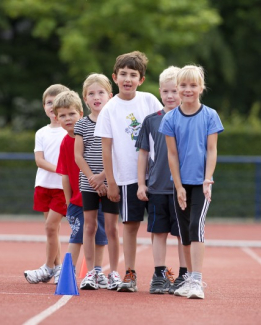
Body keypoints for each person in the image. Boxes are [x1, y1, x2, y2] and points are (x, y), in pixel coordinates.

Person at [94, 51, 162, 292]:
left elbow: (164, 136)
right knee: (130, 225)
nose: (127, 78)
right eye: (123, 74)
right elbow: (106, 148)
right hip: (127, 178)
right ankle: (130, 273)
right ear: (114, 77)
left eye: (133, 75)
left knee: (158, 227)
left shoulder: (150, 101)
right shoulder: (109, 109)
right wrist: (111, 181)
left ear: (141, 79)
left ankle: (160, 273)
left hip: (155, 177)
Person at [159, 65, 224, 299]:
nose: (188, 90)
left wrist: (208, 179)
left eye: (193, 85)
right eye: (183, 86)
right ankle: (187, 279)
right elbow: (172, 155)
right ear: (177, 89)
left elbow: (212, 149)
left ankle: (196, 280)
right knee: (185, 233)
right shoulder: (170, 118)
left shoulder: (210, 115)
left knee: (196, 227)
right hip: (180, 184)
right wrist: (177, 187)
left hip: (201, 183)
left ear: (201, 88)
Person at [135, 66, 187, 294]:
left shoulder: (189, 118)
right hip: (156, 187)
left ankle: (185, 274)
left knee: (183, 233)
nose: (170, 96)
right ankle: (159, 273)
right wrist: (141, 183)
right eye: (165, 91)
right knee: (158, 232)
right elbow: (143, 154)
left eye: (174, 91)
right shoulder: (151, 121)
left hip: (182, 189)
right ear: (159, 92)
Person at [54, 90, 109, 288]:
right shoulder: (64, 143)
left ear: (80, 113)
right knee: (76, 236)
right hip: (77, 200)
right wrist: (68, 202)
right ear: (56, 118)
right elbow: (66, 175)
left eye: (72, 114)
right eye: (62, 115)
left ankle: (97, 271)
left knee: (100, 235)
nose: (68, 119)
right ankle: (67, 272)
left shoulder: (94, 132)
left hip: (99, 193)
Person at [75, 73, 122, 290]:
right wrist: (93, 180)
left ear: (110, 96)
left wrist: (104, 177)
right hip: (89, 185)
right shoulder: (82, 125)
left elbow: (118, 152)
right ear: (85, 99)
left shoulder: (115, 122)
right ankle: (92, 272)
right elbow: (78, 155)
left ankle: (113, 272)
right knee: (90, 226)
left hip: (111, 182)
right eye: (91, 94)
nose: (96, 97)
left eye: (101, 92)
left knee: (112, 228)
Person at [24, 84, 69, 285]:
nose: (53, 106)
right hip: (44, 186)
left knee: (51, 226)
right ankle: (57, 268)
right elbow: (39, 160)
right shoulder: (41, 132)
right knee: (52, 229)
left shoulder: (70, 130)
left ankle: (48, 267)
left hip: (62, 188)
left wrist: (64, 173)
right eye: (49, 102)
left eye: (57, 102)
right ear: (44, 106)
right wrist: (59, 169)